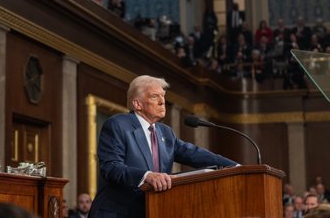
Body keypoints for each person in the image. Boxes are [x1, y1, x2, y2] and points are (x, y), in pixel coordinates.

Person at [88, 75, 238, 218]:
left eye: (163, 96)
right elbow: (111, 167)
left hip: (152, 210)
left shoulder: (165, 132)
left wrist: (237, 168)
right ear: (137, 104)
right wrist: (146, 176)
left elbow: (194, 153)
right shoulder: (118, 124)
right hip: (117, 213)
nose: (162, 101)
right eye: (154, 96)